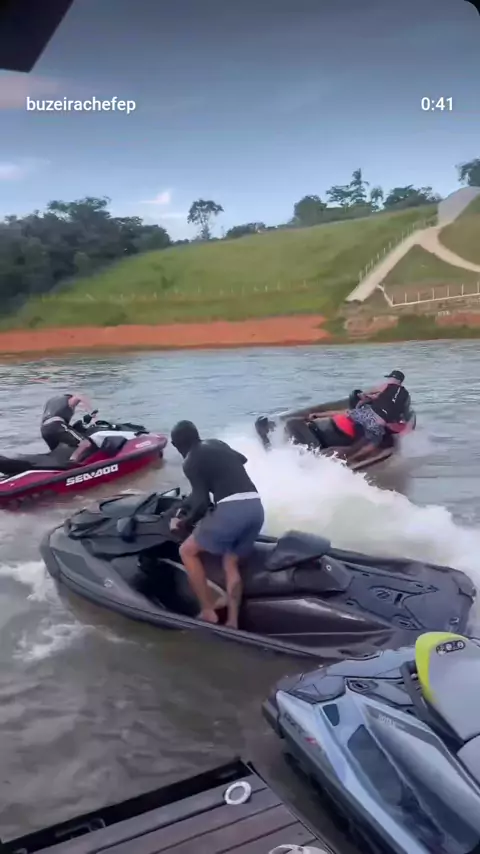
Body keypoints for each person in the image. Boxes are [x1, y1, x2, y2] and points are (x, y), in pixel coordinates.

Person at [169, 420, 265, 629]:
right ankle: (232, 621)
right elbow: (242, 459)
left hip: (232, 510)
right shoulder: (217, 443)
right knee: (230, 561)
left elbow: (202, 502)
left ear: (177, 444)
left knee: (187, 551)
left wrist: (183, 522)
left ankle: (208, 612)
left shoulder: (190, 460)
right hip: (255, 506)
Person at [344, 370, 410, 463]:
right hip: (381, 423)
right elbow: (402, 411)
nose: (388, 380)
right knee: (374, 442)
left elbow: (366, 394)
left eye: (390, 378)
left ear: (394, 379)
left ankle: (320, 416)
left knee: (347, 413)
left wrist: (362, 395)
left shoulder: (387, 386)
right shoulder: (406, 395)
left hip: (371, 416)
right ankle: (351, 460)